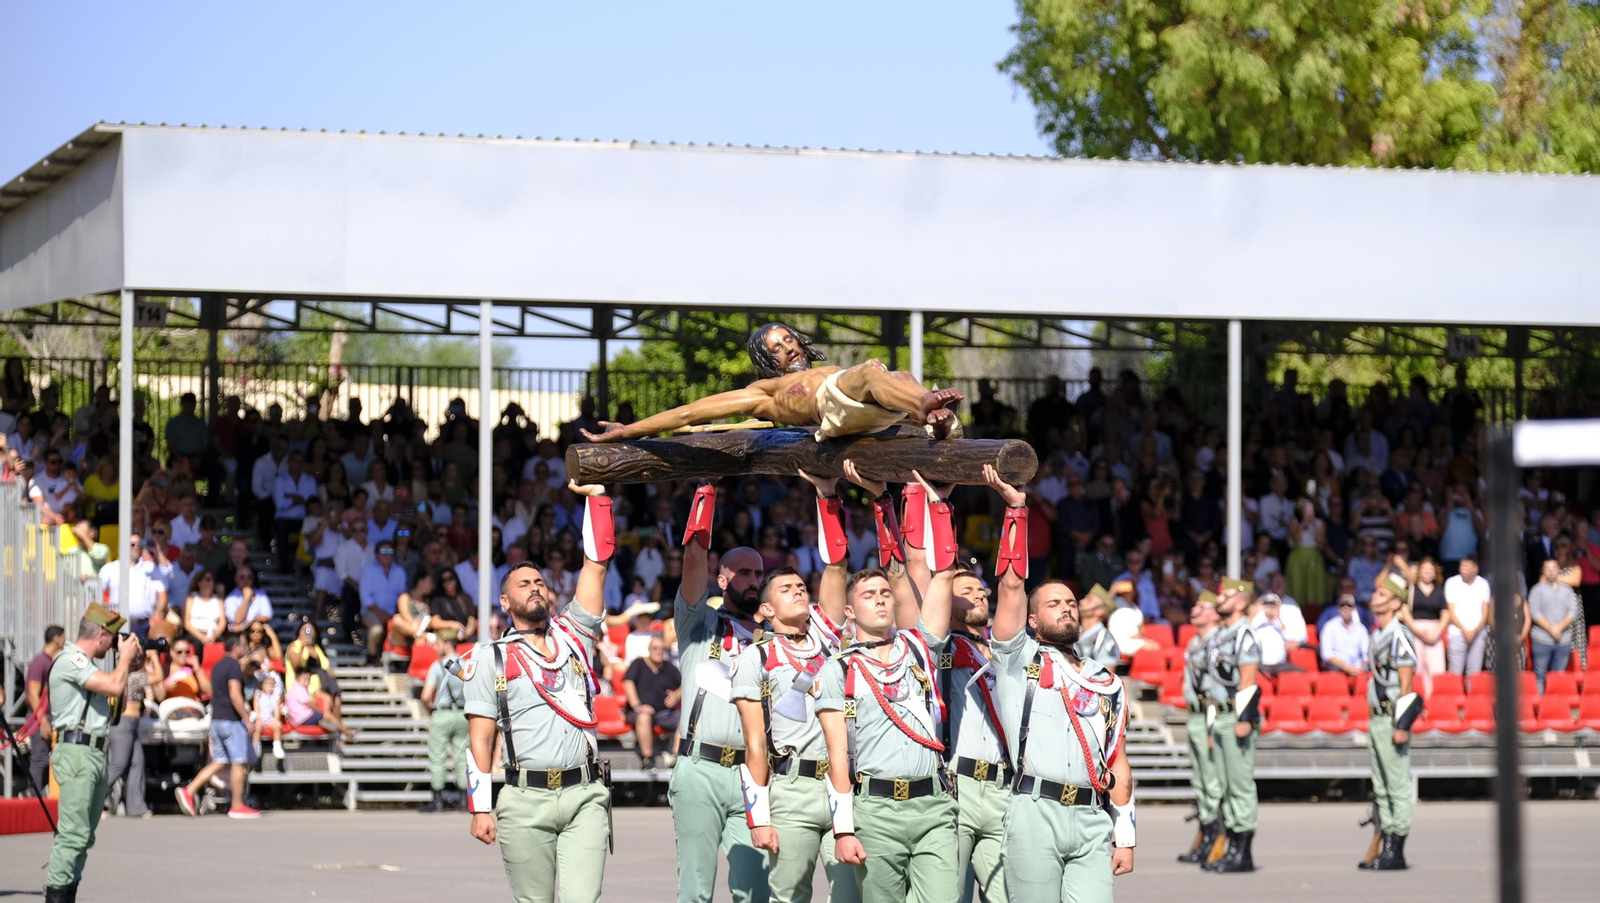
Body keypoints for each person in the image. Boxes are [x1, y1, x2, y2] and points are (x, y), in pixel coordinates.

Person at [985, 466, 1136, 900]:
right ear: (1033, 620)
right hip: (1035, 811)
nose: (1066, 608)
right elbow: (1011, 587)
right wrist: (1017, 511)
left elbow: (1117, 759)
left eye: (1071, 602)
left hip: (1092, 816)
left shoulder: (1104, 680)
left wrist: (1124, 830)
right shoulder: (1017, 659)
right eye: (1053, 603)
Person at [464, 481, 613, 903]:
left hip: (584, 794)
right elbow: (480, 739)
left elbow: (596, 566)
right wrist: (479, 807)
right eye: (523, 583)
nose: (534, 586)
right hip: (524, 799)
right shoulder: (490, 659)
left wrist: (596, 498)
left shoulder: (575, 637)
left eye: (539, 582)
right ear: (505, 601)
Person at [815, 472, 956, 903]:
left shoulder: (919, 648)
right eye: (868, 595)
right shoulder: (839, 668)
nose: (880, 598)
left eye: (884, 593)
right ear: (850, 612)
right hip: (874, 810)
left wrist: (938, 506)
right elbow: (837, 753)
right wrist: (843, 828)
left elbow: (943, 576)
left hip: (934, 805)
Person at [730, 471, 854, 903]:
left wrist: (827, 496)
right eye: (786, 589)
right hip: (792, 790)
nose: (799, 591)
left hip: (841, 782)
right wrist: (759, 816)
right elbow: (755, 745)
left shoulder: (828, 636)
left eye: (801, 586)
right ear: (765, 609)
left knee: (852, 893)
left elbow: (836, 566)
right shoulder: (754, 659)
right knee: (791, 895)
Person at [581, 322, 965, 443]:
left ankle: (935, 419)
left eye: (788, 340)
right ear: (767, 362)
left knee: (894, 375)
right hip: (831, 411)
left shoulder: (826, 368)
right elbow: (690, 412)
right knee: (870, 372)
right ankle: (925, 406)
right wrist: (629, 431)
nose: (788, 348)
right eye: (776, 348)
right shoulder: (763, 392)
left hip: (872, 413)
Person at [668, 483, 774, 903]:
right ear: (722, 578)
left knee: (755, 892)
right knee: (696, 891)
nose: (753, 581)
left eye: (758, 574)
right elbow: (693, 556)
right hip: (701, 767)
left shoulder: (775, 639)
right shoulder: (700, 624)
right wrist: (706, 493)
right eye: (744, 573)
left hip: (754, 773)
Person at [44, 603, 145, 902]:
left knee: (84, 838)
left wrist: (129, 665)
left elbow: (119, 707)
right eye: (112, 639)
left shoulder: (89, 668)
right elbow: (113, 687)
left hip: (94, 754)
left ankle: (68, 894)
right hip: (76, 752)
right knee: (72, 836)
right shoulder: (70, 659)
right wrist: (124, 659)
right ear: (101, 635)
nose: (114, 645)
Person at [1361, 571, 1421, 870]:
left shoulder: (1399, 634)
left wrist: (1402, 725)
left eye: (1382, 595)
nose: (1375, 597)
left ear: (1396, 603)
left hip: (1391, 717)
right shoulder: (1378, 634)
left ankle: (1396, 849)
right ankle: (1385, 844)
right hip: (1376, 717)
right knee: (1381, 786)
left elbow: (1407, 685)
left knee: (1397, 785)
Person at [1201, 578, 1262, 872]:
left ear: (1240, 602)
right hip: (1220, 714)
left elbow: (1248, 679)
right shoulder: (1222, 635)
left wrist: (1243, 718)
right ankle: (1232, 845)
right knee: (1225, 784)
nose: (1218, 600)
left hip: (1235, 714)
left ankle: (1244, 852)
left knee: (1239, 784)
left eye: (1224, 596)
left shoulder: (1244, 635)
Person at [177, 631, 260, 820]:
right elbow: (235, 694)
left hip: (216, 720)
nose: (246, 649)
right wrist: (247, 718)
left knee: (220, 761)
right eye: (244, 645)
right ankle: (237, 805)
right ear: (237, 647)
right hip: (231, 721)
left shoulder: (218, 666)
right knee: (239, 761)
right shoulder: (233, 667)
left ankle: (189, 790)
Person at [1177, 593, 1225, 866]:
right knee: (1201, 780)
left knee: (1212, 779)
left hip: (1209, 712)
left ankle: (1216, 835)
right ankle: (1206, 832)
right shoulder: (1196, 641)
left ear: (1215, 615)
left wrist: (1210, 726)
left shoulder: (1217, 641)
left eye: (1201, 607)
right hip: (1195, 714)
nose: (1194, 609)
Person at [104, 639, 162, 818]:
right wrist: (156, 657)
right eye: (135, 657)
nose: (138, 660)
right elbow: (159, 677)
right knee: (118, 765)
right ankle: (92, 802)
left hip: (131, 725)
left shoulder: (130, 675)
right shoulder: (133, 677)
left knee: (137, 763)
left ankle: (136, 807)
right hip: (124, 724)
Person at [420, 635, 470, 812]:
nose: (435, 647)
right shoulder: (467, 664)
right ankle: (465, 801)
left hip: (443, 713)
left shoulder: (437, 666)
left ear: (448, 644)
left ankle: (437, 800)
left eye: (438, 643)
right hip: (463, 714)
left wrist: (430, 711)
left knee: (437, 757)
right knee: (463, 758)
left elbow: (426, 696)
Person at [625, 633, 682, 773]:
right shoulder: (638, 664)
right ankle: (648, 759)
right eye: (655, 648)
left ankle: (675, 757)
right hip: (639, 712)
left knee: (685, 719)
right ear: (649, 650)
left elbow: (685, 684)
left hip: (664, 713)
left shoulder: (670, 668)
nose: (658, 651)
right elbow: (627, 683)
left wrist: (676, 694)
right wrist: (637, 705)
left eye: (661, 648)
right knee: (644, 716)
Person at [26, 625, 66, 807]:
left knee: (50, 760)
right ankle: (32, 801)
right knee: (40, 760)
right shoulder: (39, 662)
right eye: (63, 637)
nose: (65, 640)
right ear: (56, 638)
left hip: (50, 716)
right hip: (39, 717)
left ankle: (39, 799)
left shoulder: (52, 661)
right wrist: (42, 721)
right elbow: (32, 694)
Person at [1528, 558, 1579, 693]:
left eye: (1553, 568)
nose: (1551, 571)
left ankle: (1554, 708)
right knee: (1540, 675)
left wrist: (1559, 628)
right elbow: (1534, 612)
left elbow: (1573, 612)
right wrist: (1552, 629)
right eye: (1547, 568)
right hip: (1541, 639)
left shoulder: (1568, 590)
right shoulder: (1536, 590)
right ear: (1543, 571)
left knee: (1558, 676)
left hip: (1563, 640)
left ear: (1558, 570)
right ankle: (1540, 709)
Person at [357, 542, 407, 662]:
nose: (386, 555)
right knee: (376, 630)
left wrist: (396, 615)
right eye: (383, 552)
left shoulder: (400, 571)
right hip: (371, 611)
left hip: (394, 613)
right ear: (376, 555)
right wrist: (381, 614)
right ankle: (372, 657)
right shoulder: (368, 570)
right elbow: (365, 598)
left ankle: (397, 661)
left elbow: (403, 595)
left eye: (389, 552)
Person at [1444, 555, 1491, 676]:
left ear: (1475, 569)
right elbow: (1451, 611)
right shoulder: (1451, 582)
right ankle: (1454, 695)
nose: (1462, 569)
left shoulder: (1483, 583)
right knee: (1455, 672)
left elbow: (1485, 612)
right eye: (1461, 566)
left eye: (1466, 566)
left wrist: (1474, 631)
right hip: (1457, 633)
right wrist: (1465, 630)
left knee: (1474, 673)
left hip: (1478, 634)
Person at [285, 668, 357, 740]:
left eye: (308, 680)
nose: (307, 683)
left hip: (299, 719)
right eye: (305, 679)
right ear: (297, 678)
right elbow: (311, 704)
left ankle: (342, 730)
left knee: (325, 717)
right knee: (326, 715)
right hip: (303, 719)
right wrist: (319, 712)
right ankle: (347, 732)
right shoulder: (298, 689)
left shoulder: (294, 688)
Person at [1074, 585, 1123, 669]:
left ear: (1100, 611)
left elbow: (1106, 676)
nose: (1081, 601)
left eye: (1089, 600)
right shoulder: (1074, 632)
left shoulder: (1104, 639)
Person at [1321, 596, 1371, 676]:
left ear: (1354, 608)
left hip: (1358, 671)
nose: (1346, 608)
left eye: (1349, 605)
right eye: (1342, 605)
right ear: (1338, 607)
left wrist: (1361, 668)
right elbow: (1326, 655)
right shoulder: (1329, 626)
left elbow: (1367, 654)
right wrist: (1346, 668)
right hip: (1336, 672)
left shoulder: (1361, 629)